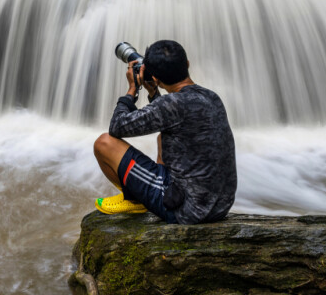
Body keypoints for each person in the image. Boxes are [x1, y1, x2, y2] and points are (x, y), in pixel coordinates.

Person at [93, 40, 237, 224]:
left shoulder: (172, 104)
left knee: (104, 143)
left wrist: (132, 90)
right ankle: (143, 191)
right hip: (220, 206)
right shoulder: (211, 96)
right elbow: (172, 118)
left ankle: (134, 199)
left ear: (156, 78)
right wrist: (153, 93)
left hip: (187, 210)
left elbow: (117, 127)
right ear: (187, 64)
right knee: (164, 137)